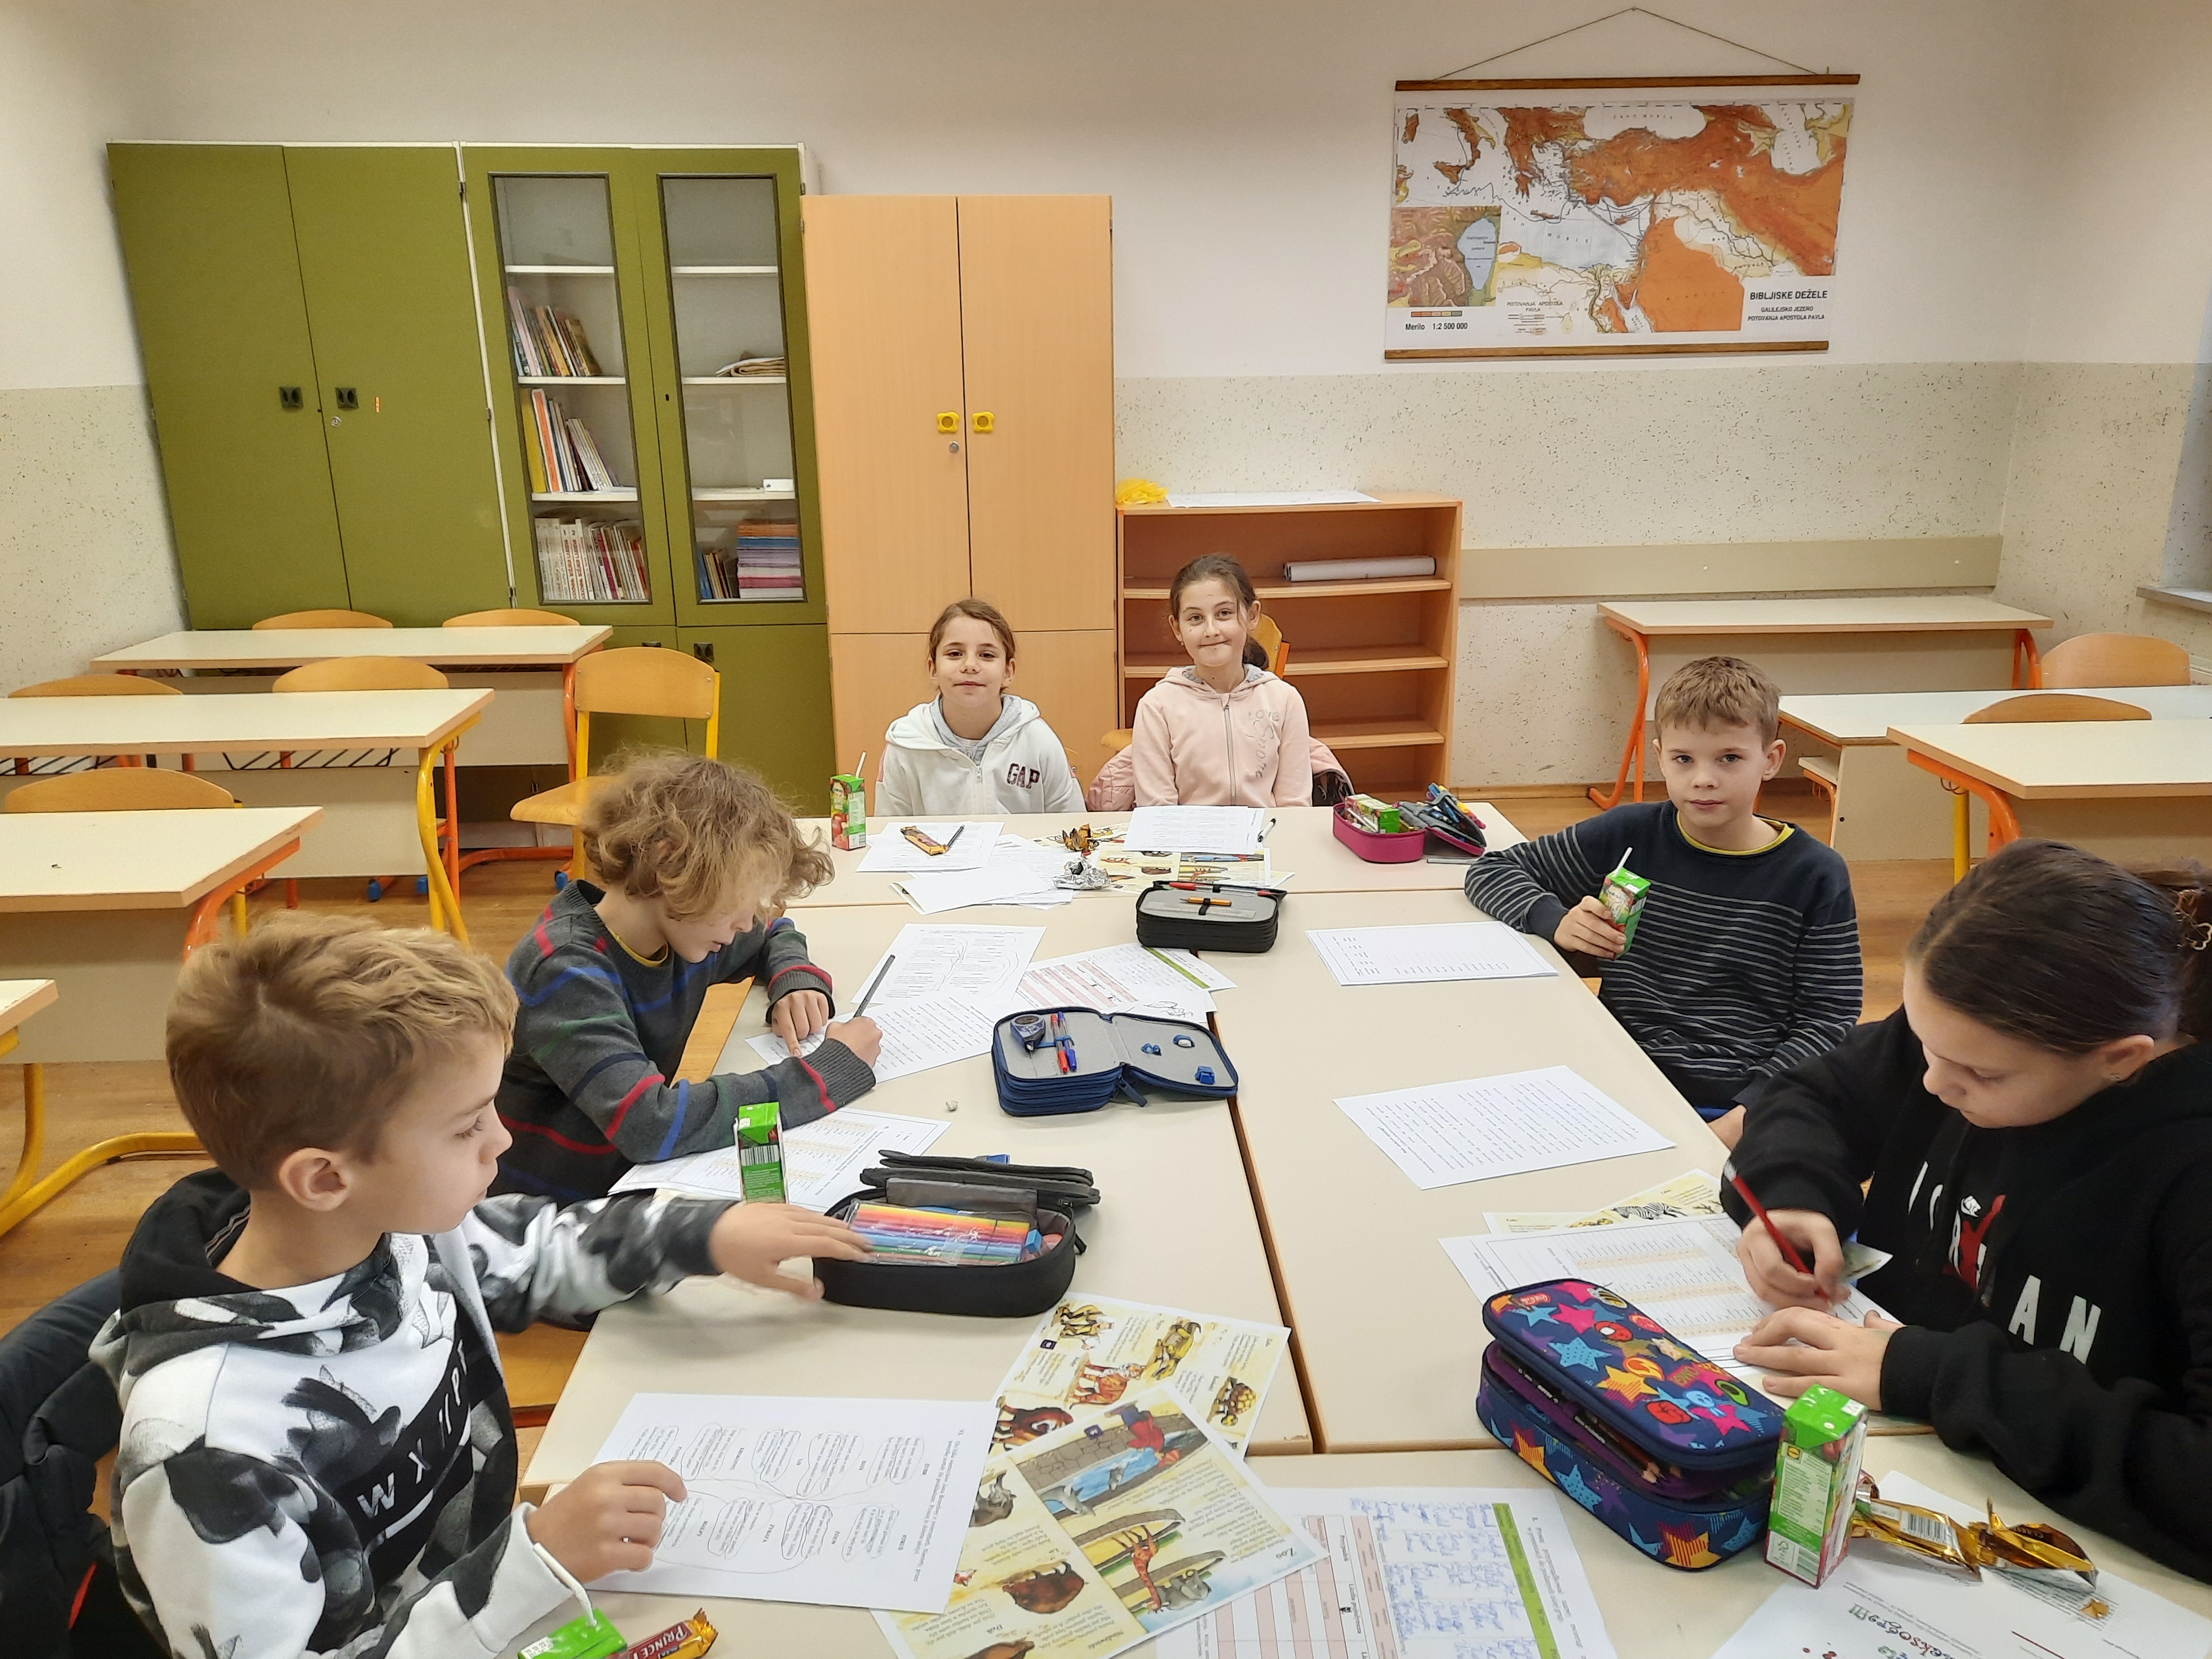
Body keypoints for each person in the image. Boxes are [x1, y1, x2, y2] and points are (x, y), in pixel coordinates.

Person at [92, 914, 871, 1659]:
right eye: (466, 1126)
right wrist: (532, 1561)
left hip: (492, 1600)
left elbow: (537, 1250)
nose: (502, 1139)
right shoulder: (207, 1449)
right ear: (325, 1178)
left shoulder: (389, 1230)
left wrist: (706, 1233)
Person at [1729, 839, 2212, 1583]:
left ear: (2121, 1059)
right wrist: (1792, 1195)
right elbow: (1816, 1094)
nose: (1932, 1083)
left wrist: (1934, 1376)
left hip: (2065, 1543)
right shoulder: (1968, 1032)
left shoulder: (2186, 1173)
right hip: (1901, 1447)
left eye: (1980, 1075)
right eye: (1924, 1043)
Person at [1463, 655, 1860, 1140]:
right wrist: (1555, 920)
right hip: (1616, 1077)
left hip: (1736, 1098)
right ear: (1660, 757)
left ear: (1771, 760)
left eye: (1730, 758)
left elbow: (1828, 1018)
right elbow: (1493, 870)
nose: (1703, 779)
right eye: (1683, 759)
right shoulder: (1630, 835)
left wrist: (1753, 1113)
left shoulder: (1814, 873)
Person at [494, 751, 880, 1201]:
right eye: (738, 902)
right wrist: (825, 1073)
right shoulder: (564, 969)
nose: (745, 922)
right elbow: (649, 1123)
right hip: (549, 1214)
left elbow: (773, 932)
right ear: (669, 864)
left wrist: (795, 978)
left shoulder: (682, 925)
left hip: (629, 1181)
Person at [1128, 554, 1312, 807]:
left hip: (1268, 832)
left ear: (1252, 616)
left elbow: (1295, 806)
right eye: (1196, 618)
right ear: (1177, 628)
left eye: (1224, 613)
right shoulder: (1157, 707)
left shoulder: (1285, 700)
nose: (1211, 631)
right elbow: (1158, 812)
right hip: (1186, 834)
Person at [877, 598, 1084, 816]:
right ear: (933, 669)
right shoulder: (906, 745)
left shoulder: (1038, 740)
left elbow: (1072, 824)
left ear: (1008, 672)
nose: (970, 666)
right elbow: (888, 831)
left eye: (986, 655)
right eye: (955, 654)